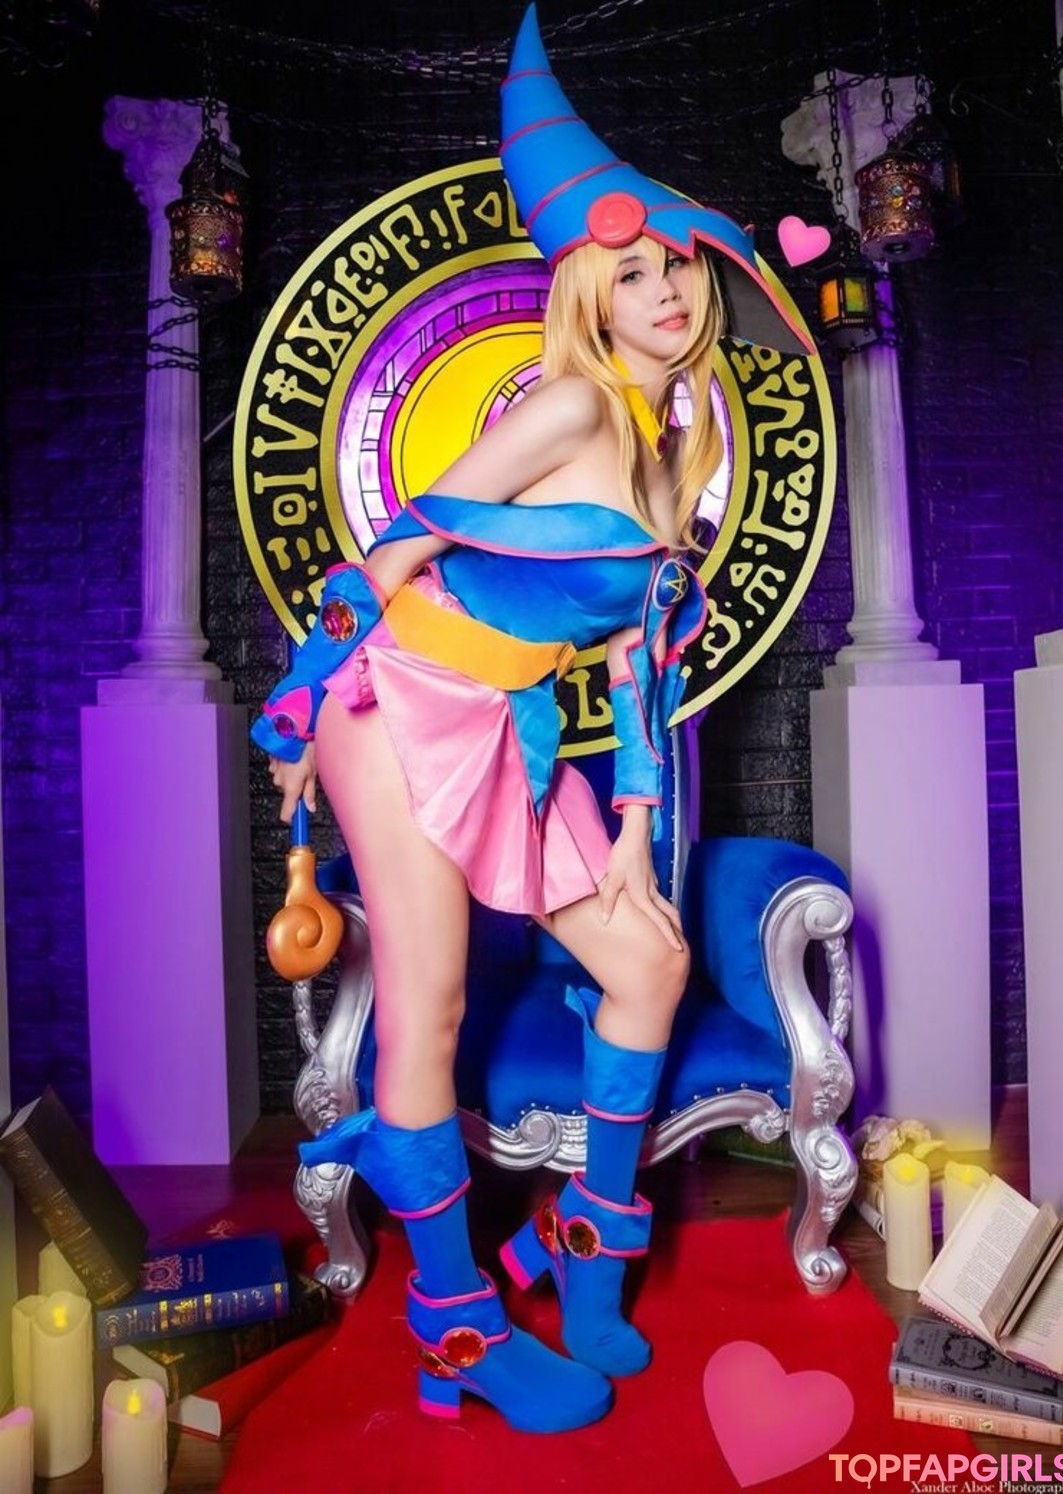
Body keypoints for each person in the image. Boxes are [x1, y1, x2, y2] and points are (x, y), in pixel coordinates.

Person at [252, 3, 813, 1437]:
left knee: (651, 954)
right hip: (400, 703)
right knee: (427, 1002)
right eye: (633, 274)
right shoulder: (569, 409)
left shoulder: (671, 454)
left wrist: (631, 829)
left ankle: (587, 1251)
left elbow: (636, 668)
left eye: (676, 264)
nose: (666, 290)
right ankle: (451, 1322)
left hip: (509, 727)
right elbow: (399, 547)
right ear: (591, 299)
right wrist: (303, 706)